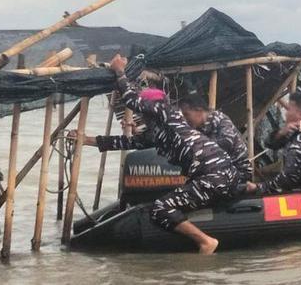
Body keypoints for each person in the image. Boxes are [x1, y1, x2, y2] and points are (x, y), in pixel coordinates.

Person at [87, 54, 239, 254]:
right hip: (217, 176)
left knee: (160, 208)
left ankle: (205, 242)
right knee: (164, 200)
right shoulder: (159, 132)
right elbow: (127, 141)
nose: (142, 115)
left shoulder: (167, 111)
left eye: (144, 111)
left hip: (213, 175)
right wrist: (87, 140)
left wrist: (119, 72)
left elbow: (133, 101)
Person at [178, 94, 252, 182]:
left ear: (199, 110)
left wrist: (199, 149)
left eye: (187, 115)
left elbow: (226, 142)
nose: (185, 120)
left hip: (239, 172)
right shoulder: (197, 129)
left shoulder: (220, 119)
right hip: (218, 173)